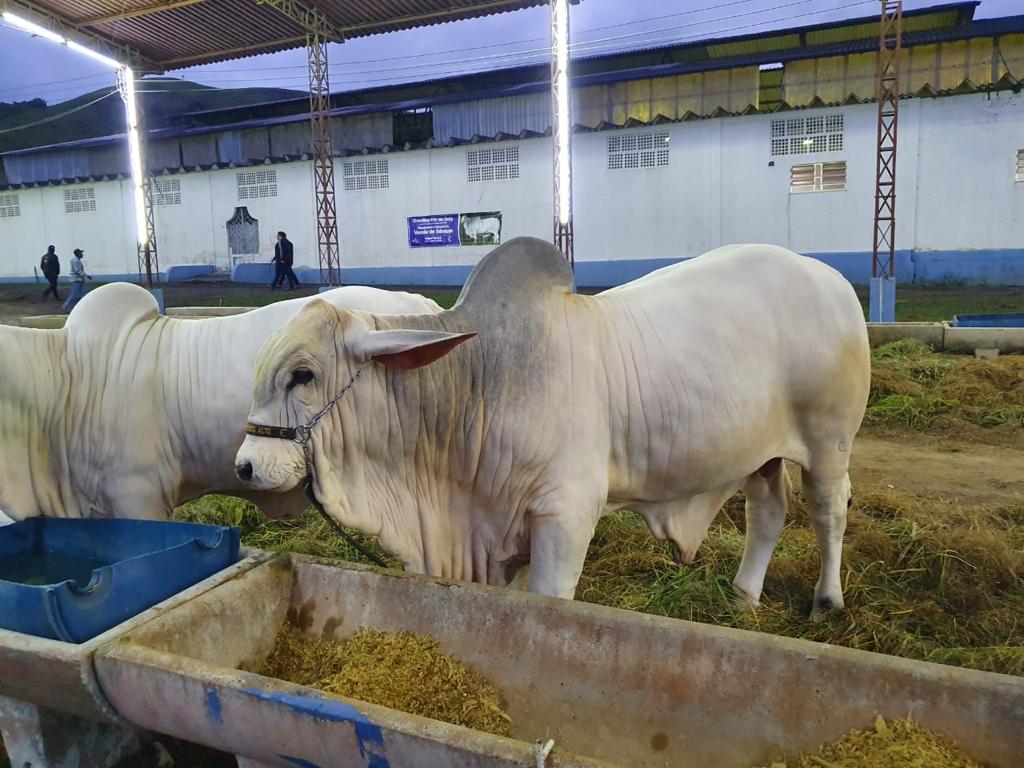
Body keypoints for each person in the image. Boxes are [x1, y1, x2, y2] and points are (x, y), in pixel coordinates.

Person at [62, 248, 91, 313]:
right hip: (76, 279)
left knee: (80, 294)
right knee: (74, 294)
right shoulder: (76, 261)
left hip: (78, 279)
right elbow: (78, 270)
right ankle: (65, 306)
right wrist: (86, 275)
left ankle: (77, 307)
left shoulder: (76, 260)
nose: (82, 254)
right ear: (78, 254)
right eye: (81, 253)